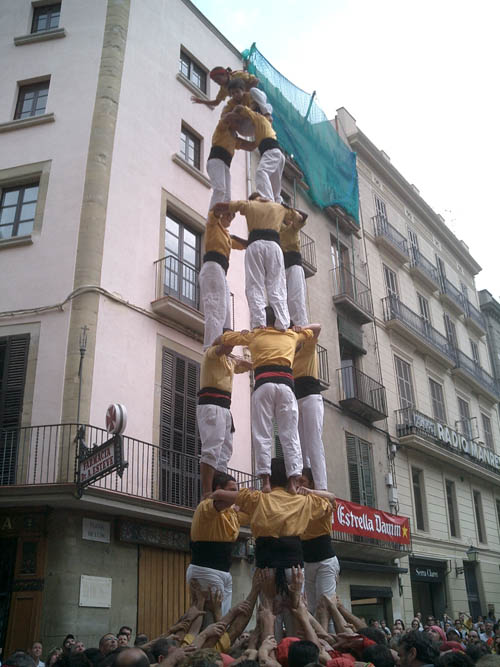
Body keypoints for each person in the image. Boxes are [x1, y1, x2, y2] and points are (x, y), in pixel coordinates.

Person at [218, 311, 320, 490]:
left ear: (263, 321)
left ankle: (265, 481)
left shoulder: (255, 335)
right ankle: (293, 481)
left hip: (264, 385)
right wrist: (299, 328)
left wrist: (240, 334)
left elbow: (225, 338)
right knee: (290, 435)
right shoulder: (291, 335)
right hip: (286, 387)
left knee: (262, 435)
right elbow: (317, 328)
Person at [211, 458, 331, 594]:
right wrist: (311, 492)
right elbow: (330, 500)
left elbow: (219, 494)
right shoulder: (303, 501)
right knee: (295, 611)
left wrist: (210, 496)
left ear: (268, 477)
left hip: (265, 566)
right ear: (290, 478)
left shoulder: (256, 498)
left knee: (268, 611)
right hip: (293, 568)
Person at [214, 195, 306, 332]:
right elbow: (301, 218)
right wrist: (287, 208)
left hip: (255, 246)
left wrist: (215, 216)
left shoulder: (249, 205)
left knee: (254, 285)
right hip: (273, 247)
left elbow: (221, 206)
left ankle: (259, 323)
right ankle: (283, 323)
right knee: (276, 286)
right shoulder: (278, 207)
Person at [186, 472, 246, 616]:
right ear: (219, 489)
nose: (234, 494)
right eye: (232, 490)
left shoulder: (231, 513)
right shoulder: (205, 507)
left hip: (224, 572)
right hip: (206, 569)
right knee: (211, 619)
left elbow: (252, 511)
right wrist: (244, 496)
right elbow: (221, 502)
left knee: (222, 617)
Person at [197, 341, 251, 496]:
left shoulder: (229, 360)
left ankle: (218, 487)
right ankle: (207, 492)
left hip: (224, 408)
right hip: (212, 404)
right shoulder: (211, 353)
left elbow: (248, 365)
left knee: (224, 452)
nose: (232, 345)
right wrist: (238, 338)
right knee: (211, 450)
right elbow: (225, 346)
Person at [199, 210, 246, 350]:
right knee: (215, 309)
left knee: (225, 309)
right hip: (213, 268)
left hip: (221, 272)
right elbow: (216, 209)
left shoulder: (226, 235)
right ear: (221, 215)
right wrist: (231, 206)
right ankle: (211, 347)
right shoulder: (213, 224)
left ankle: (225, 338)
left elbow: (243, 244)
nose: (230, 218)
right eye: (229, 214)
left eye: (232, 216)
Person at [206, 83, 257, 212]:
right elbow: (227, 117)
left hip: (225, 165)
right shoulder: (222, 128)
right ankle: (212, 218)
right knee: (220, 189)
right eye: (236, 123)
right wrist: (239, 112)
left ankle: (221, 221)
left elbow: (250, 146)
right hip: (216, 161)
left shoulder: (234, 138)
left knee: (227, 197)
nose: (237, 125)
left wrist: (263, 133)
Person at [229, 89, 284, 203]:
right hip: (277, 153)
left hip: (271, 151)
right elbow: (251, 145)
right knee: (275, 187)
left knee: (261, 172)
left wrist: (234, 112)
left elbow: (243, 109)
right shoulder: (261, 128)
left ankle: (268, 199)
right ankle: (279, 203)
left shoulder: (259, 118)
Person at [298, 468, 338, 616]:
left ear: (311, 483)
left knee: (325, 606)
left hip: (325, 560)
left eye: (302, 482)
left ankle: (330, 638)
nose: (299, 486)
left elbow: (332, 497)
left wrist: (309, 492)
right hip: (307, 562)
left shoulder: (321, 501)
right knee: (312, 608)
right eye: (297, 482)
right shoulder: (297, 503)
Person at [293, 326, 327, 491]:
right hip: (296, 398)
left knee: (314, 442)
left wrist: (300, 330)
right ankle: (304, 481)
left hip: (311, 397)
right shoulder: (289, 352)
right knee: (300, 445)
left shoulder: (308, 344)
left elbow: (317, 327)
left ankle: (321, 486)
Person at [279, 208, 308, 327]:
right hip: (282, 267)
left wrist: (288, 208)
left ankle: (300, 326)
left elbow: (304, 216)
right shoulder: (278, 228)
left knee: (296, 298)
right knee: (283, 299)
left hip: (294, 265)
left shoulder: (293, 228)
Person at [191, 66, 258, 109]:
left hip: (254, 97)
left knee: (252, 91)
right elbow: (216, 102)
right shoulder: (223, 89)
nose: (218, 82)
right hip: (244, 104)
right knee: (227, 108)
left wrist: (244, 93)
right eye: (215, 81)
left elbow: (256, 80)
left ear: (225, 75)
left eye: (218, 79)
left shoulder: (237, 75)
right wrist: (202, 101)